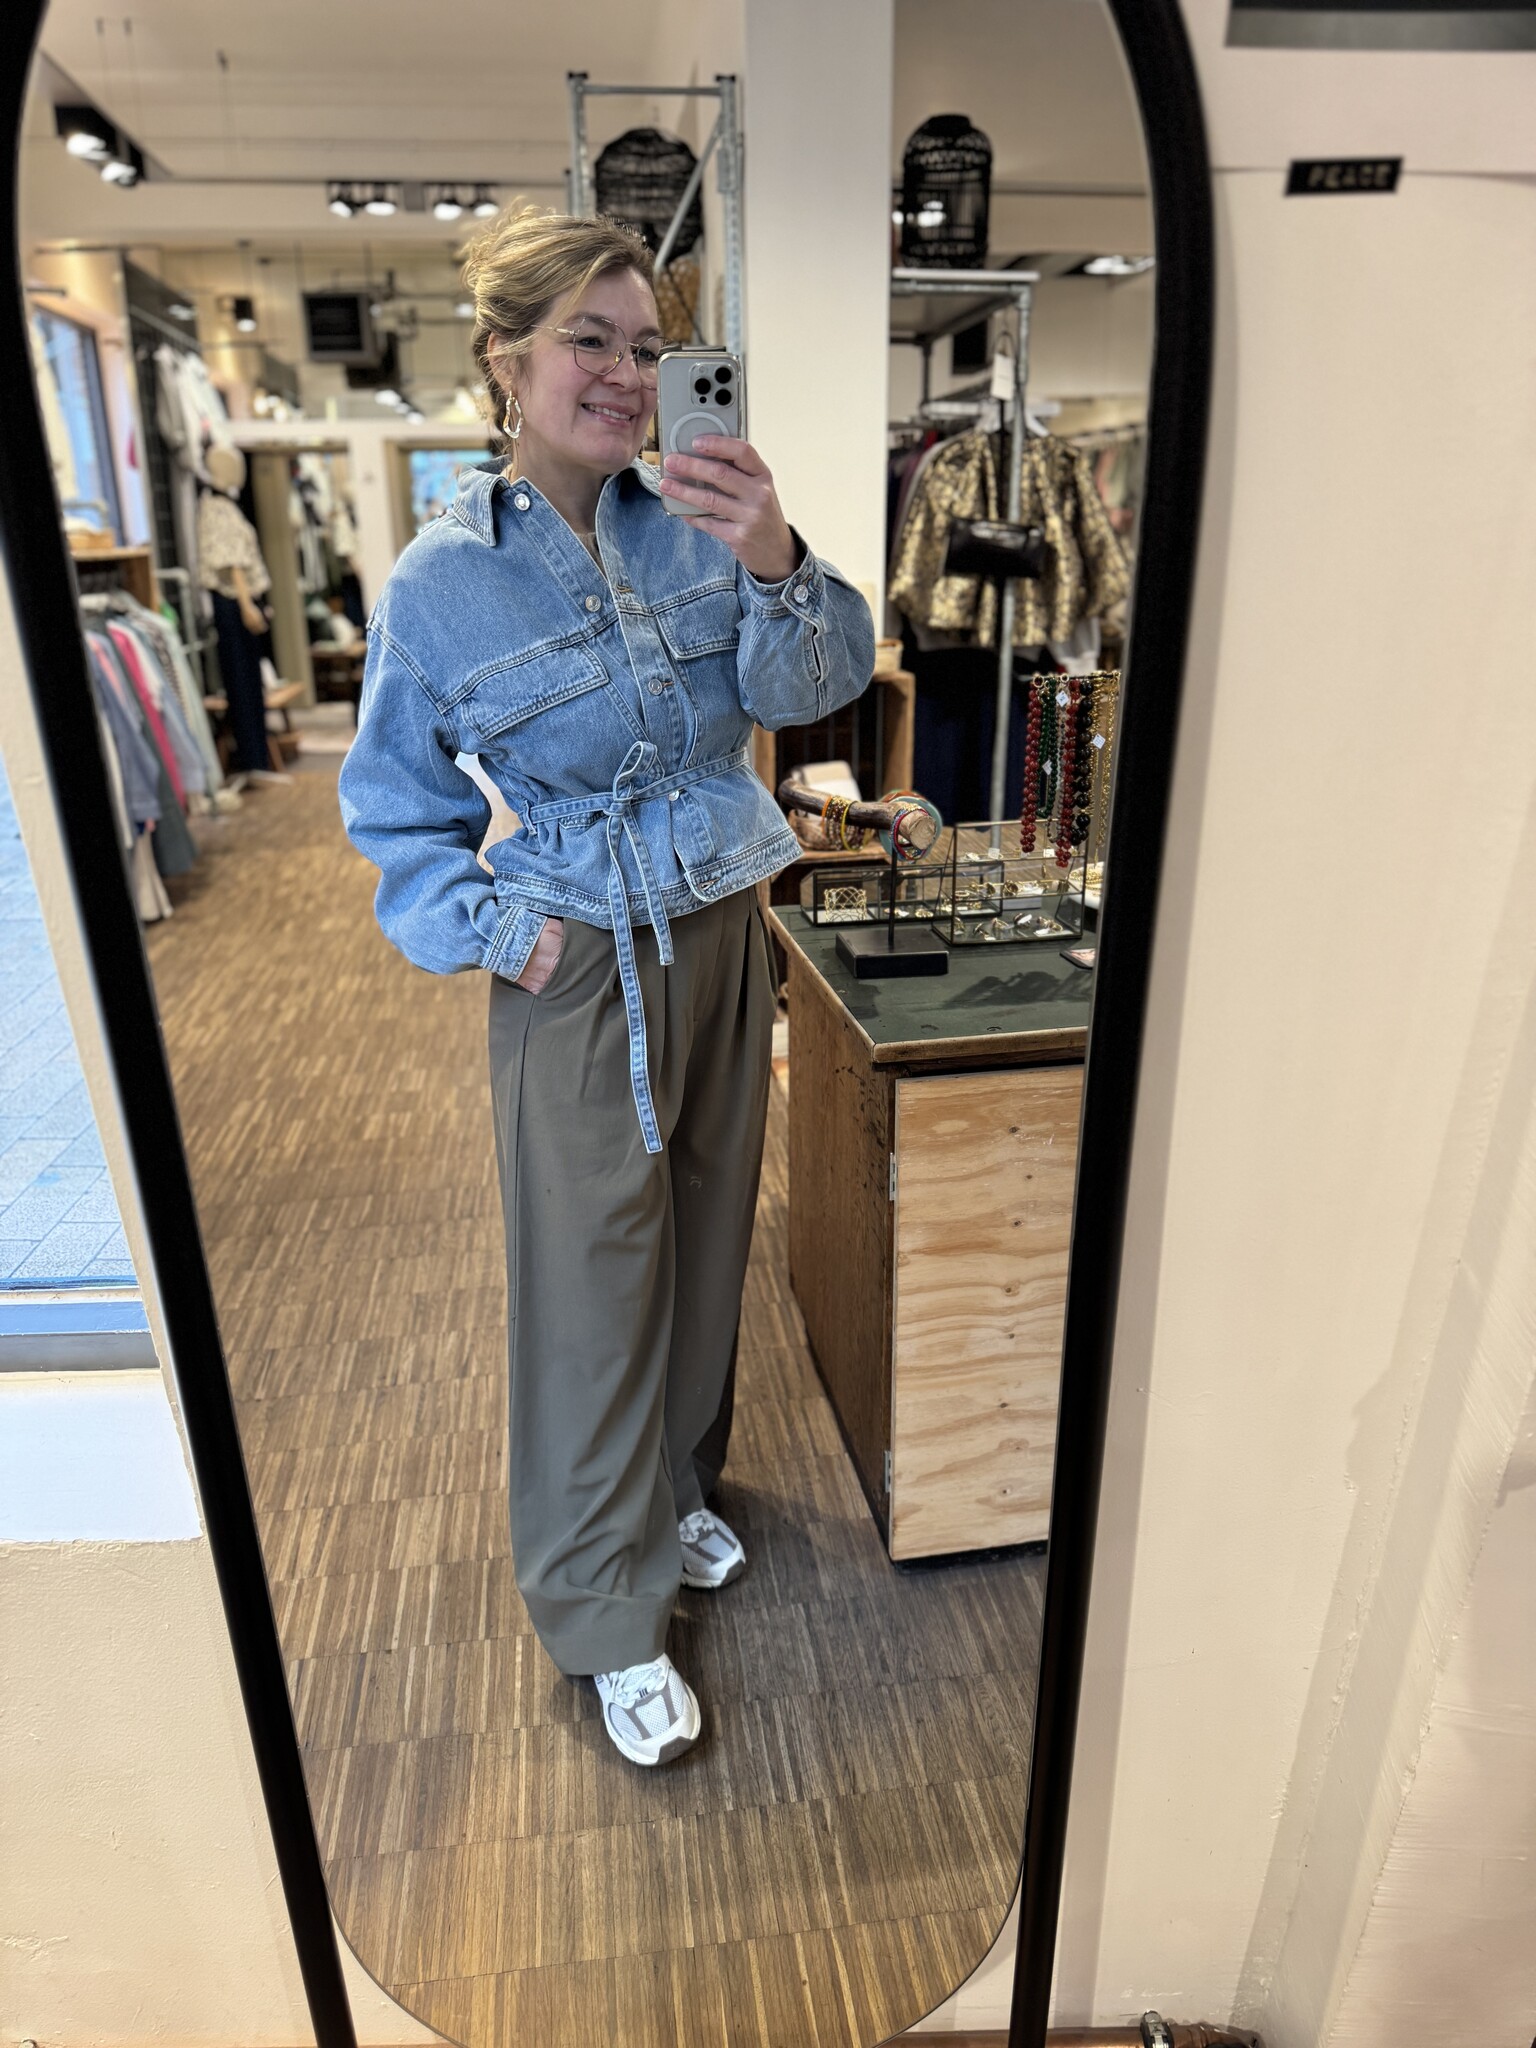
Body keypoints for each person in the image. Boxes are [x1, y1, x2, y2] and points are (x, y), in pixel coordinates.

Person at [338, 205, 874, 1767]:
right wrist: (499, 930)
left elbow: (816, 682)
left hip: (720, 923)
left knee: (706, 1240)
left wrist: (773, 553)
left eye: (649, 347)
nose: (629, 375)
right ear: (507, 359)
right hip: (578, 962)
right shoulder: (441, 583)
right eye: (590, 340)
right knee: (589, 1281)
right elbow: (395, 811)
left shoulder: (696, 516)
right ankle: (600, 1607)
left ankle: (672, 1493)